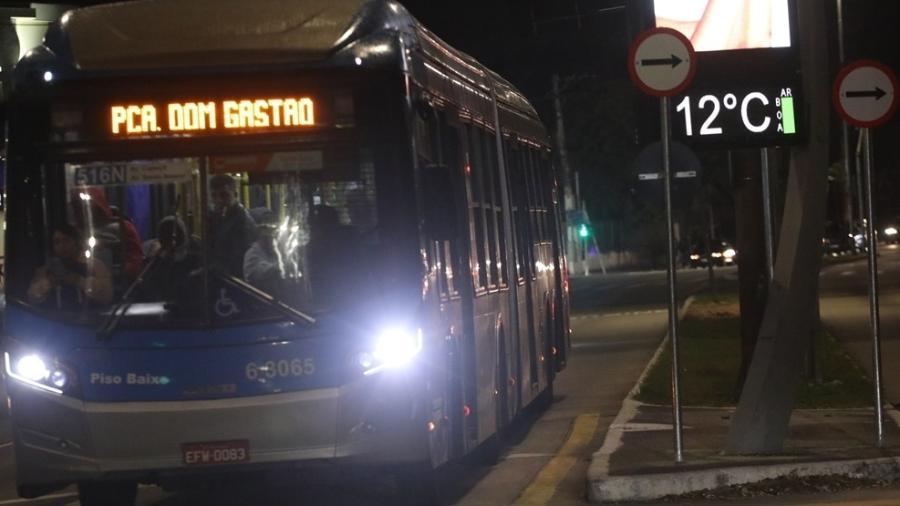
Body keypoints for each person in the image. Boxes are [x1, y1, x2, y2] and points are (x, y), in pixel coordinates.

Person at [27, 223, 113, 310]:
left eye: (66, 240)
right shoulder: (45, 270)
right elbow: (32, 298)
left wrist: (77, 280)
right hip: (55, 319)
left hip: (88, 318)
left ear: (76, 242)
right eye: (57, 242)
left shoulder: (95, 265)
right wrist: (48, 283)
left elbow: (106, 296)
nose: (62, 246)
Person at [71, 187, 144, 282]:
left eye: (88, 205)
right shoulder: (74, 232)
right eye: (78, 206)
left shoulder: (122, 227)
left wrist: (116, 273)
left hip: (117, 280)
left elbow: (136, 260)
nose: (84, 210)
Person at [142, 216, 201, 304]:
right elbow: (151, 292)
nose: (171, 237)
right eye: (166, 233)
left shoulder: (196, 256)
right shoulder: (155, 263)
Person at [208, 174, 256, 278]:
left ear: (235, 194)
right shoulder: (217, 218)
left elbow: (239, 261)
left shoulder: (243, 222)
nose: (218, 200)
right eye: (214, 196)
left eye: (224, 195)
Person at [243, 222, 284, 296]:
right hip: (257, 296)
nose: (273, 240)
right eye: (270, 237)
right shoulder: (252, 253)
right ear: (262, 238)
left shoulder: (272, 253)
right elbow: (256, 273)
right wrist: (275, 269)